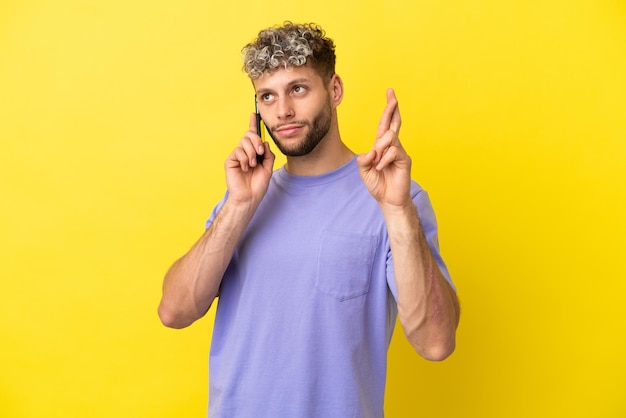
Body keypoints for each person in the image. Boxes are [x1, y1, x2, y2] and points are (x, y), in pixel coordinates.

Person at [158, 21, 460, 417]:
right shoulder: (243, 200)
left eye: (298, 89)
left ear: (333, 90)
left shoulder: (396, 199)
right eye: (267, 96)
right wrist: (238, 206)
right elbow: (174, 312)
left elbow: (436, 343)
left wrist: (398, 210)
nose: (282, 111)